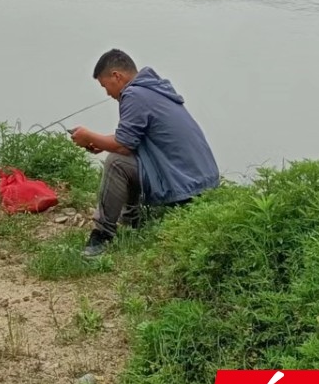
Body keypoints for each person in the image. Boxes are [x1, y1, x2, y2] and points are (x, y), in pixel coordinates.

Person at [70, 49, 219, 258]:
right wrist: (101, 142)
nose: (107, 94)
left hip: (184, 186)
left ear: (116, 76)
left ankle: (101, 236)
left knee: (116, 162)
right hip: (203, 182)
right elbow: (130, 138)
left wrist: (88, 135)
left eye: (105, 86)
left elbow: (122, 145)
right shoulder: (154, 90)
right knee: (124, 158)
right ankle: (133, 221)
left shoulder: (134, 95)